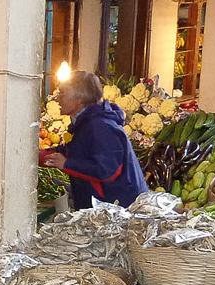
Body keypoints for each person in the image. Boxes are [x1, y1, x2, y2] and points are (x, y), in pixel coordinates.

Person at [40, 71, 149, 208]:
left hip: (120, 207)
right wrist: (39, 155)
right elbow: (75, 150)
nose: (58, 99)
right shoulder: (88, 122)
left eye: (63, 93)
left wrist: (68, 164)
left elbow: (108, 170)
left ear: (80, 99)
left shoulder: (100, 125)